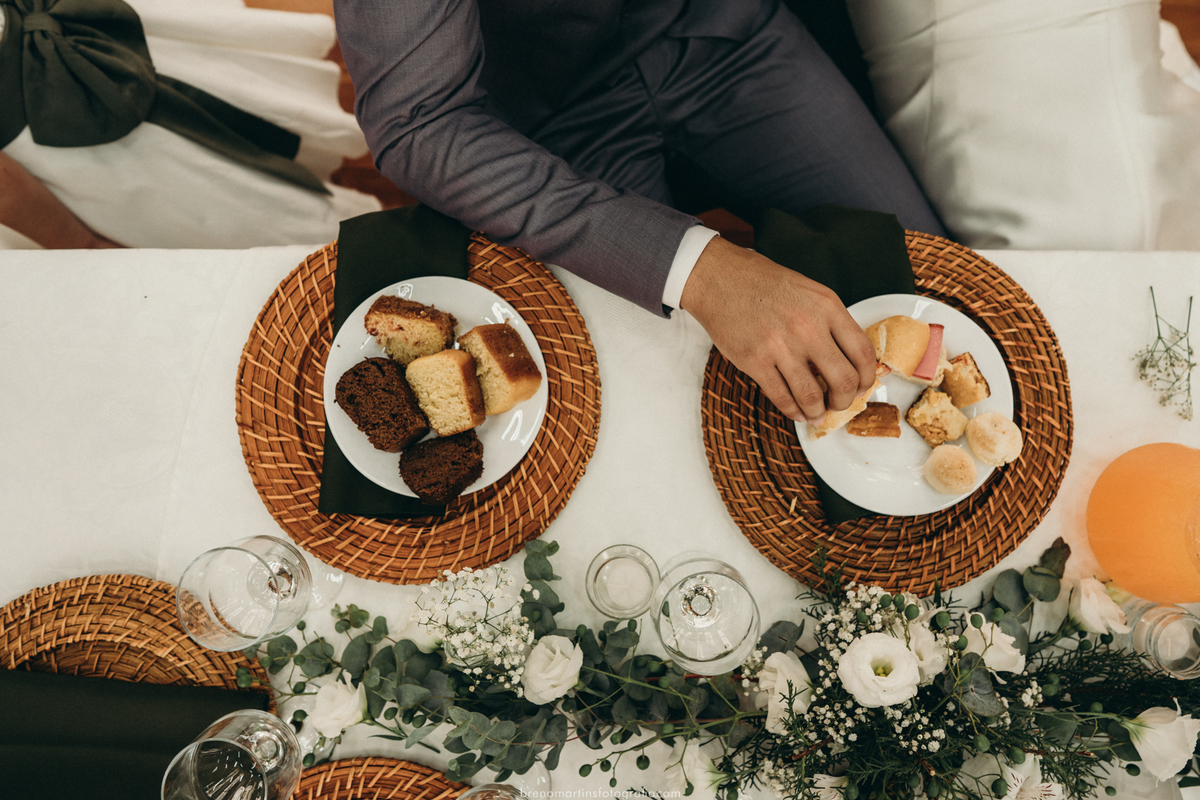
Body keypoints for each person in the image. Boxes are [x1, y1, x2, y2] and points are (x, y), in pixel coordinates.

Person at [333, 0, 947, 425]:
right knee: (658, 414)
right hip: (544, 115)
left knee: (936, 297)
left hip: (725, 32)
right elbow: (421, 121)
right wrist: (699, 268)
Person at [0, 0, 380, 251]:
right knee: (214, 193)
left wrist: (82, 243)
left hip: (79, 32)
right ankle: (346, 237)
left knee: (228, 121)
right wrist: (77, 240)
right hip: (57, 131)